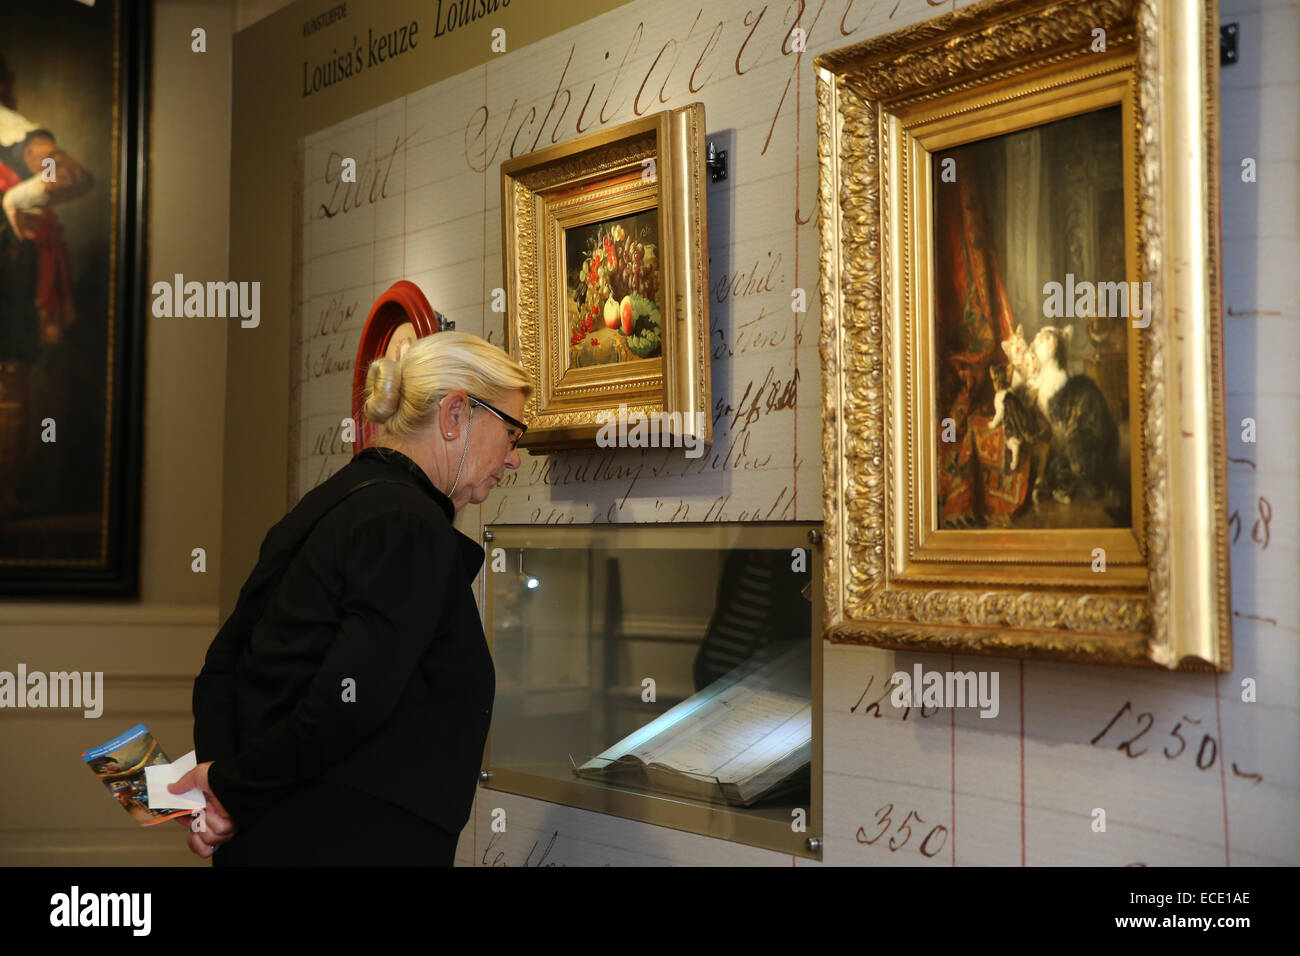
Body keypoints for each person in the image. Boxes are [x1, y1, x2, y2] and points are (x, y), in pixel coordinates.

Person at [170, 330, 530, 865]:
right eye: (512, 431)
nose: (514, 458)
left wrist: (227, 791)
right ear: (456, 414)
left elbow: (224, 665)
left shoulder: (327, 499)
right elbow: (350, 701)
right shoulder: (409, 525)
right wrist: (232, 789)